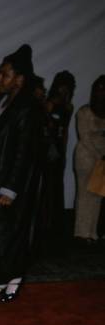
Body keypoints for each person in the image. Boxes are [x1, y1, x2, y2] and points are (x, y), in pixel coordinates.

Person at [0, 44, 42, 302]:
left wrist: (10, 188)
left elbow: (24, 153)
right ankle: (0, 279)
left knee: (6, 231)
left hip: (7, 183)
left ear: (20, 80)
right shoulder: (2, 103)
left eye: (4, 74)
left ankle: (13, 277)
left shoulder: (27, 108)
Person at [74, 76, 105, 244]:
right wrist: (100, 155)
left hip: (102, 158)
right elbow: (84, 138)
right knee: (84, 194)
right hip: (86, 157)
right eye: (99, 88)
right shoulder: (84, 111)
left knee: (97, 195)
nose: (102, 92)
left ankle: (92, 233)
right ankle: (81, 233)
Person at [45, 70, 76, 235]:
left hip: (57, 148)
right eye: (62, 86)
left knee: (57, 186)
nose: (64, 90)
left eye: (68, 87)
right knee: (48, 187)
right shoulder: (50, 103)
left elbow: (65, 132)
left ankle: (55, 225)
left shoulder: (68, 106)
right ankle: (46, 224)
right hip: (47, 148)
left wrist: (63, 152)